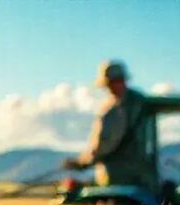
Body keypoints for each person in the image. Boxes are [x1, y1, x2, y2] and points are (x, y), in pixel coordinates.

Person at [62, 60, 155, 191]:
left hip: (115, 179)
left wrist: (80, 163)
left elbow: (102, 146)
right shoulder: (139, 102)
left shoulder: (113, 110)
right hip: (142, 176)